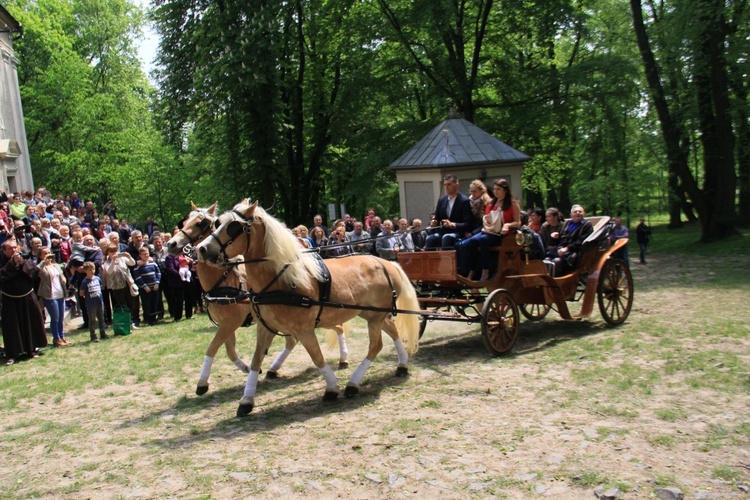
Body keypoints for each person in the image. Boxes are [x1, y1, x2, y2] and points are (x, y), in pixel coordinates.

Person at [456, 178, 521, 282]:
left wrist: (507, 225)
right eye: (494, 189)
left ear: (505, 190)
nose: (495, 191)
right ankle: (472, 271)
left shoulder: (513, 203)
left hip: (502, 234)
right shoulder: (491, 203)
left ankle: (485, 271)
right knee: (472, 241)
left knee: (483, 240)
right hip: (489, 230)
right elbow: (487, 218)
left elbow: (518, 222)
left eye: (498, 189)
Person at [0, 239, 47, 365]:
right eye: (10, 248)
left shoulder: (24, 260)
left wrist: (22, 264)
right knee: (12, 327)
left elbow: (34, 273)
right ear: (4, 251)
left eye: (15, 247)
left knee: (30, 323)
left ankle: (31, 349)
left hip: (27, 297)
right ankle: (12, 353)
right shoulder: (2, 263)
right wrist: (11, 264)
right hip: (10, 299)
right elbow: (2, 276)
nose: (14, 250)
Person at [424, 174, 474, 249]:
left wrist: (453, 224)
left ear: (457, 185)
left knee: (447, 238)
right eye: (445, 185)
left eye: (449, 184)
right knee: (430, 238)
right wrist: (434, 222)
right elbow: (437, 219)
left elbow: (468, 223)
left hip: (458, 232)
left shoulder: (464, 201)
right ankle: (431, 260)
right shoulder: (442, 200)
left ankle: (446, 260)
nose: (446, 187)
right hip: (443, 232)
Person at [37, 248, 70, 347]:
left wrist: (63, 278)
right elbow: (37, 271)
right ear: (40, 256)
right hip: (50, 296)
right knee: (55, 318)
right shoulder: (42, 267)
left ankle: (62, 336)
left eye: (49, 253)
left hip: (60, 293)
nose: (48, 255)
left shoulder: (55, 265)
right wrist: (43, 262)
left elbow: (61, 275)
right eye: (45, 254)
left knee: (60, 318)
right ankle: (56, 338)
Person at [102, 244, 139, 329]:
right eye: (111, 251)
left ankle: (131, 322)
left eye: (115, 251)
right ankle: (127, 323)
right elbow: (109, 271)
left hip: (128, 284)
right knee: (123, 305)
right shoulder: (107, 262)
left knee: (131, 304)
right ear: (108, 253)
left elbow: (132, 263)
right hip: (117, 287)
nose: (114, 253)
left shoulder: (122, 259)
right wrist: (113, 261)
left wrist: (129, 257)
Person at [552, 205, 594, 276]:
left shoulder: (587, 225)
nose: (578, 213)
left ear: (584, 214)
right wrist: (556, 235)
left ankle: (558, 282)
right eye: (575, 212)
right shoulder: (567, 223)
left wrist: (567, 248)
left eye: (580, 212)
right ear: (571, 215)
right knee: (545, 259)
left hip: (575, 251)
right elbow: (562, 236)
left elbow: (581, 241)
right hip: (561, 249)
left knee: (556, 261)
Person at [80, 261, 109, 342]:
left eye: (93, 269)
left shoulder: (97, 278)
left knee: (101, 318)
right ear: (85, 271)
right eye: (89, 270)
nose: (92, 271)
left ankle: (103, 333)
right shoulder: (85, 281)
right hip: (91, 303)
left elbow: (100, 286)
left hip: (99, 301)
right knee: (92, 320)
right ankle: (93, 335)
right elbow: (81, 293)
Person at [133, 247, 161, 326]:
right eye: (144, 254)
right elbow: (138, 277)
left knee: (154, 303)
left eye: (147, 253)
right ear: (140, 255)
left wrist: (157, 283)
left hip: (154, 287)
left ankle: (154, 318)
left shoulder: (153, 263)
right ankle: (149, 319)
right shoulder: (138, 266)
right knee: (147, 304)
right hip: (145, 289)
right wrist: (144, 286)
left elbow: (158, 273)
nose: (146, 255)